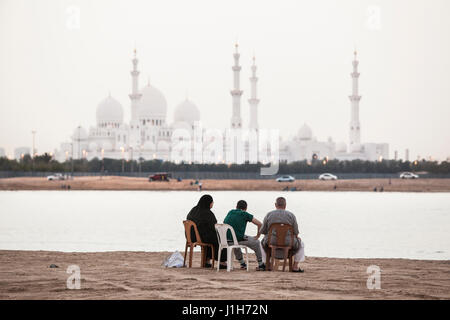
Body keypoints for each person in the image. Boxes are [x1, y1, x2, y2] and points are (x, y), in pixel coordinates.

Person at [260, 197, 305, 272]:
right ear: (285, 205)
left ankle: (266, 264)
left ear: (275, 205)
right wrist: (296, 237)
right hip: (289, 243)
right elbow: (296, 232)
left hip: (271, 242)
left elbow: (263, 231)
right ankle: (295, 266)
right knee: (302, 244)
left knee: (260, 243)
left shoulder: (269, 214)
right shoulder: (291, 215)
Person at [223, 200, 266, 271]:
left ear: (236, 207)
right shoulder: (245, 214)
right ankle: (261, 264)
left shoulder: (230, 212)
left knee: (236, 239)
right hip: (235, 240)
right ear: (246, 208)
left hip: (226, 239)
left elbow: (224, 223)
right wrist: (258, 235)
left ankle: (242, 264)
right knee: (257, 242)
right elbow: (260, 224)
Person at [186, 195, 227, 268]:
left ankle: (207, 260)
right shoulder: (207, 213)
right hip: (200, 237)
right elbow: (214, 226)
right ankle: (222, 262)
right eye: (212, 202)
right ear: (208, 203)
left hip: (191, 237)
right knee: (220, 238)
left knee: (210, 235)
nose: (213, 203)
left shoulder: (193, 210)